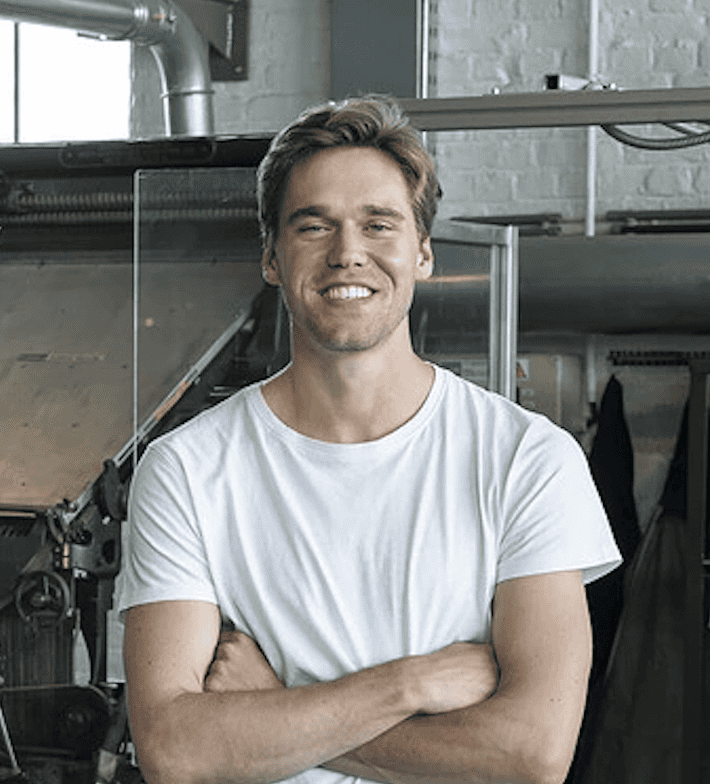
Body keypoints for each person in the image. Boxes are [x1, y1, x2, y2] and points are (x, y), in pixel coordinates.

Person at [116, 95, 622, 784]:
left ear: (423, 254)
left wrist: (277, 712)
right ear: (271, 257)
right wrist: (408, 685)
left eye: (378, 224)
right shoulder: (186, 470)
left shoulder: (526, 459)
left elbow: (530, 753)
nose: (347, 253)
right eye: (314, 226)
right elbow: (175, 750)